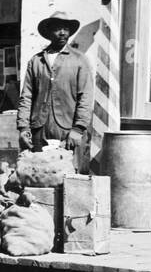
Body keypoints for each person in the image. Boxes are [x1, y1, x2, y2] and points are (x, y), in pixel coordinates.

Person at [16, 10, 94, 172]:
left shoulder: (79, 60)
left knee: (68, 176)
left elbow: (85, 98)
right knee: (38, 174)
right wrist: (23, 127)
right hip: (39, 130)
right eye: (58, 28)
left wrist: (78, 129)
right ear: (49, 32)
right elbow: (27, 96)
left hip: (67, 130)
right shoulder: (36, 61)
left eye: (66, 29)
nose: (62, 33)